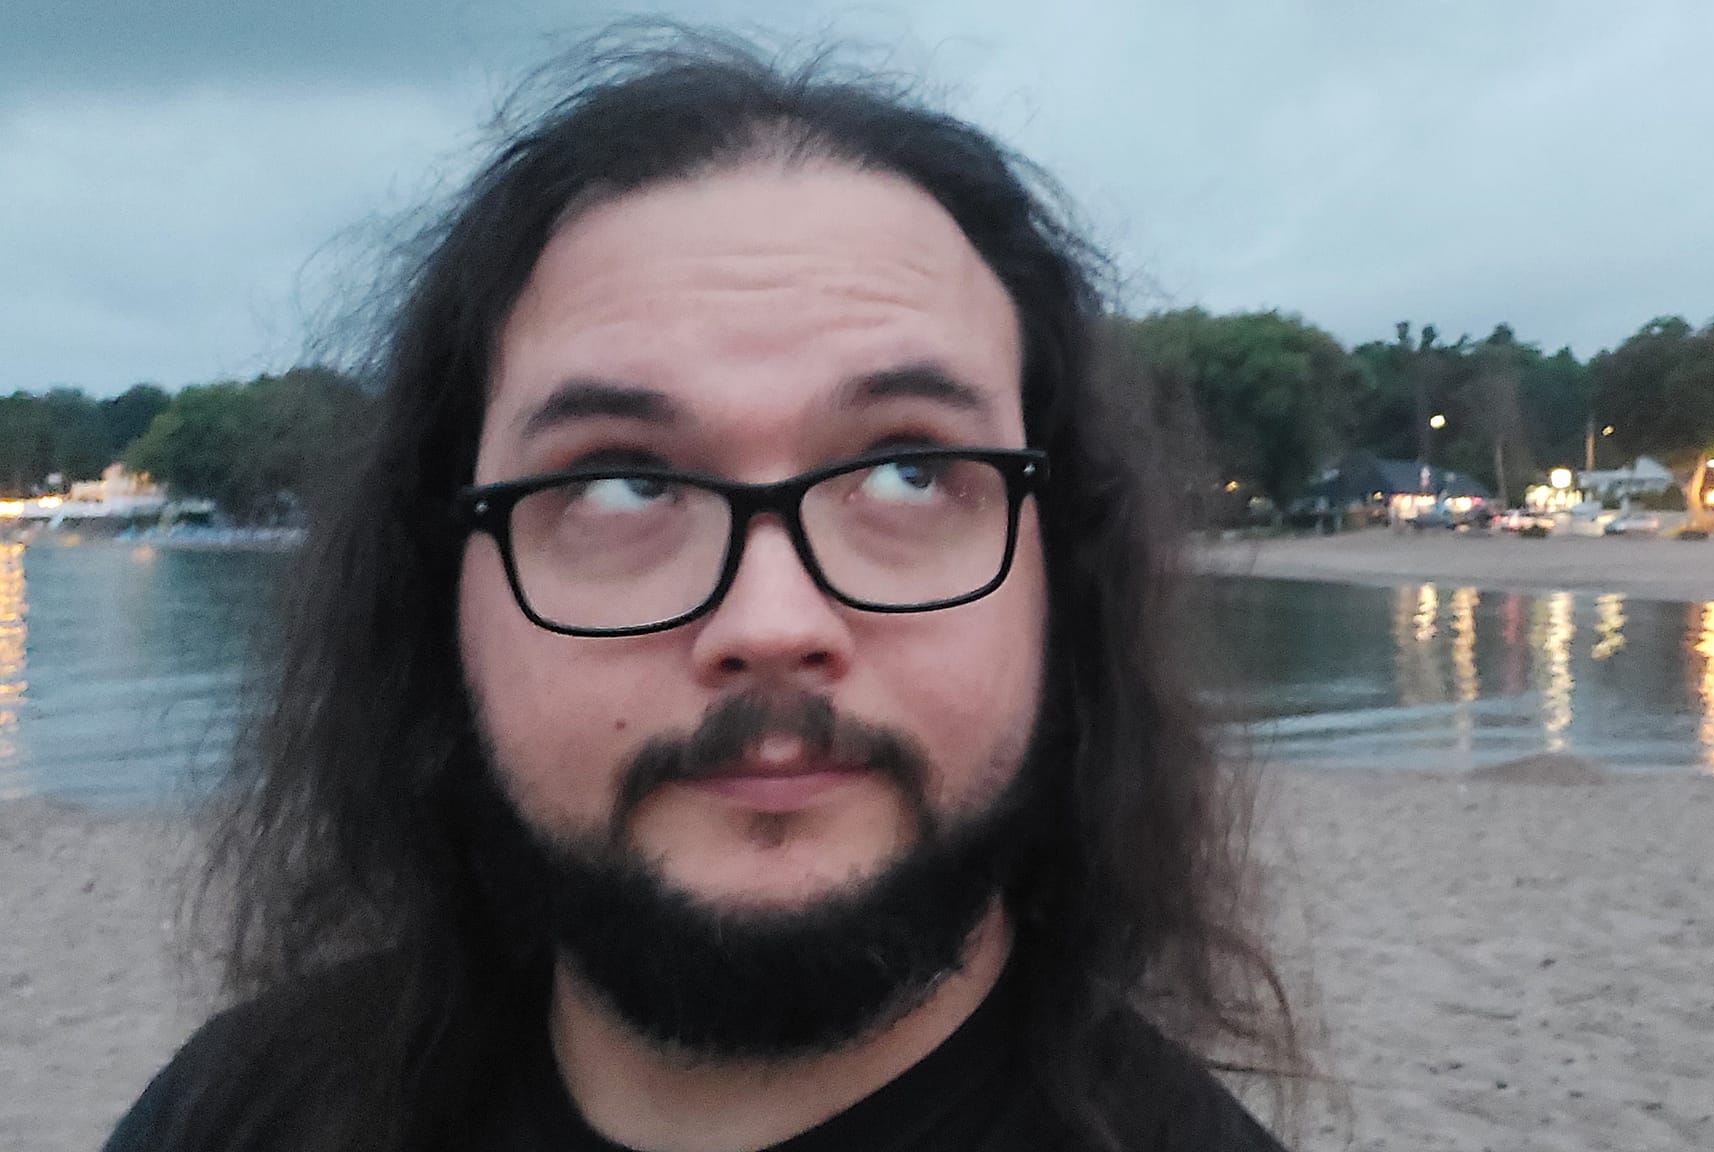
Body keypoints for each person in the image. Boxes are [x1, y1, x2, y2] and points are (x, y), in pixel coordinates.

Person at [104, 28, 1299, 1152]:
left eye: (908, 468)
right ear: (439, 591)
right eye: (620, 485)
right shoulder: (240, 1111)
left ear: (1062, 576)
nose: (770, 627)